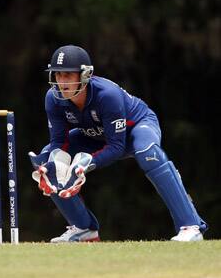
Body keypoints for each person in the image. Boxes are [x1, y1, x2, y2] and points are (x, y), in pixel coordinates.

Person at [29, 45, 207, 242]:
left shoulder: (107, 95)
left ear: (86, 75)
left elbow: (116, 147)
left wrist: (84, 165)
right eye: (58, 75)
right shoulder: (52, 99)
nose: (62, 83)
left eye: (68, 76)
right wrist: (56, 166)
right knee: (48, 160)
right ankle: (83, 229)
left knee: (148, 153)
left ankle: (191, 226)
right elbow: (58, 142)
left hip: (136, 129)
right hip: (94, 136)